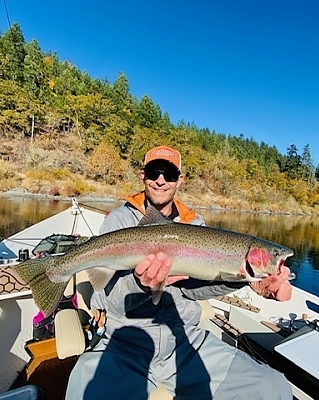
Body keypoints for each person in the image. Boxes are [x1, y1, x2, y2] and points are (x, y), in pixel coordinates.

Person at [65, 145, 293, 400]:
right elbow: (107, 299)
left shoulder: (195, 225)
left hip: (183, 339)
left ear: (179, 180)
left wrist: (241, 280)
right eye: (154, 172)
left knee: (273, 387)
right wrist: (141, 285)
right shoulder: (118, 221)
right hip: (125, 340)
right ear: (143, 176)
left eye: (169, 174)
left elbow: (193, 290)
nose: (161, 180)